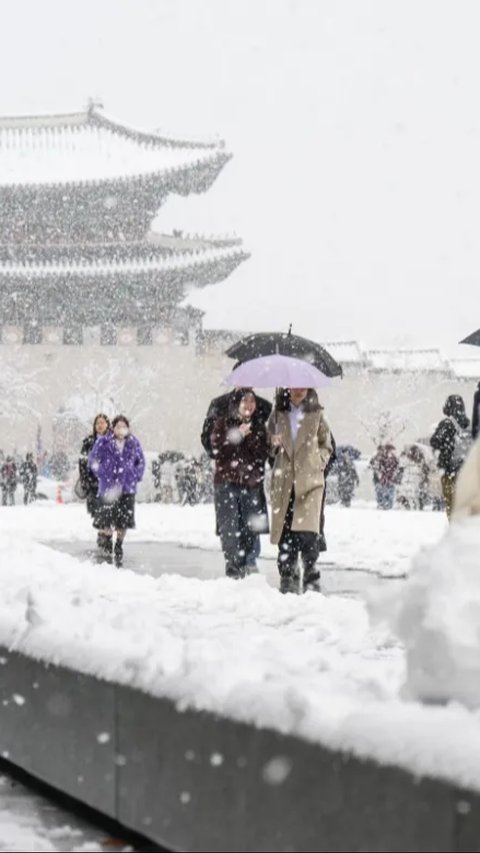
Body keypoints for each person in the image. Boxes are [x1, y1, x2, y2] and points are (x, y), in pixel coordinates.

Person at [268, 387, 332, 590]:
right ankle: (287, 570)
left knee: (308, 530)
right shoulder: (278, 414)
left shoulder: (317, 414)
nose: (299, 389)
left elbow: (326, 444)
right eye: (295, 385)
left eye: (303, 385)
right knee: (286, 528)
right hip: (285, 478)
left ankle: (310, 569)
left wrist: (318, 461)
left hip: (310, 479)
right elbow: (268, 443)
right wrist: (273, 443)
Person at [202, 388, 272, 571]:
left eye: (252, 402)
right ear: (236, 404)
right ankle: (233, 564)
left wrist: (250, 438)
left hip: (251, 483)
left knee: (251, 527)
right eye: (244, 402)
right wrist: (236, 435)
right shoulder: (223, 422)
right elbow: (216, 450)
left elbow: (262, 454)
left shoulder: (258, 425)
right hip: (227, 483)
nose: (248, 406)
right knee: (229, 526)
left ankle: (249, 561)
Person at [88, 415, 145, 566]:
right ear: (113, 428)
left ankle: (119, 544)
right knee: (106, 521)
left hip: (127, 488)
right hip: (108, 489)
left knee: (123, 521)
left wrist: (135, 475)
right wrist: (101, 472)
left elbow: (141, 462)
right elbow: (92, 460)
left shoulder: (133, 443)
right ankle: (107, 544)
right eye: (118, 426)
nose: (121, 429)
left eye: (124, 426)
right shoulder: (104, 442)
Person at [431, 394, 471, 519]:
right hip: (467, 473)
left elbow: (435, 441)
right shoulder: (469, 424)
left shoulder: (447, 423)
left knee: (452, 506)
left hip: (451, 471)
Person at [78, 414, 111, 544]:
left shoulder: (113, 441)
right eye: (97, 423)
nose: (100, 425)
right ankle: (103, 535)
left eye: (102, 422)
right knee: (99, 513)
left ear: (107, 425)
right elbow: (82, 462)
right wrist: (85, 479)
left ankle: (105, 536)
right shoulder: (88, 442)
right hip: (93, 484)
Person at [369, 444, 399, 510]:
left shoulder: (393, 458)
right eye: (391, 450)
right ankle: (382, 505)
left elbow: (397, 467)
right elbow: (375, 466)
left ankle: (385, 505)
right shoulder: (381, 457)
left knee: (388, 496)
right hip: (383, 481)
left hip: (389, 481)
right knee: (382, 495)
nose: (393, 452)